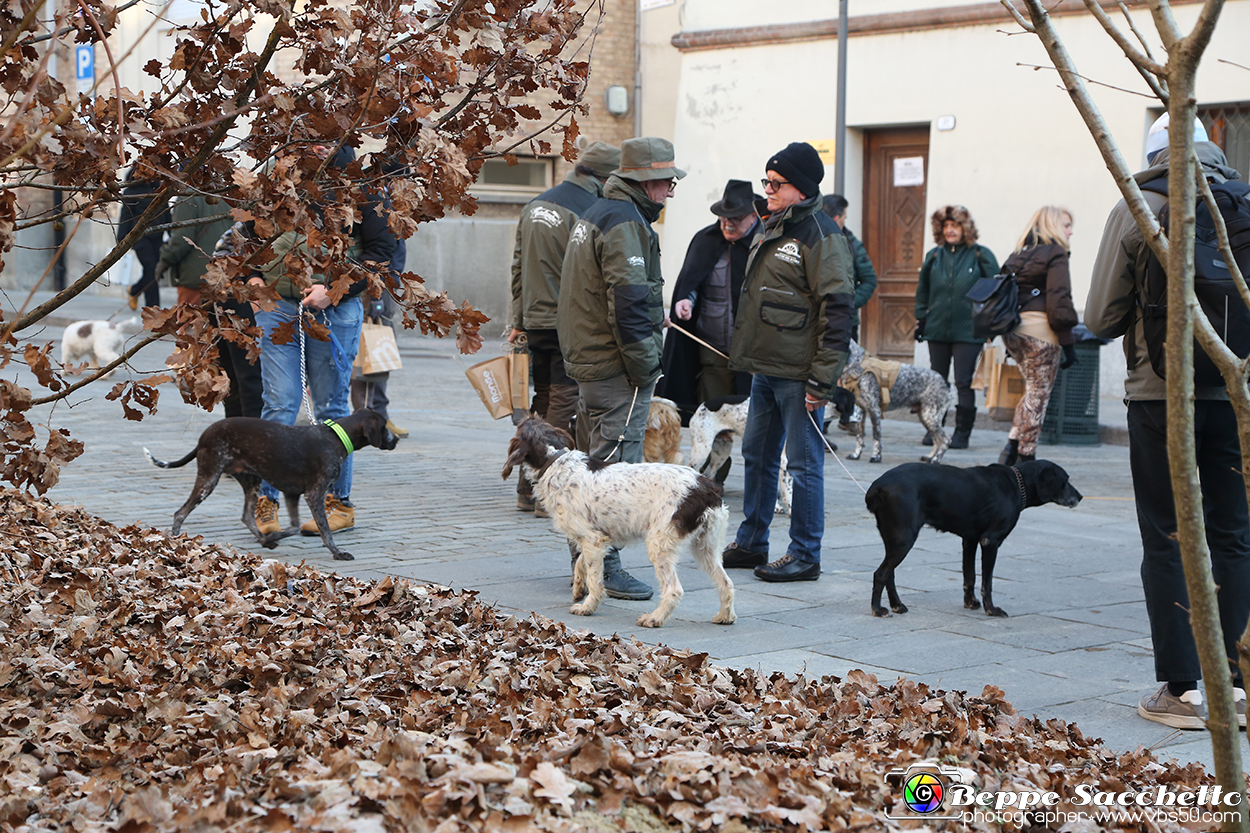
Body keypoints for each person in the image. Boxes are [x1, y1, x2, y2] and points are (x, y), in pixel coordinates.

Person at [1086, 113, 1249, 730]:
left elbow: (1102, 317)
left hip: (1161, 395)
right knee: (1233, 533)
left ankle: (1182, 690)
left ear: (1153, 152)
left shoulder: (1136, 204)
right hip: (1238, 392)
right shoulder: (1245, 202)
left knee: (1169, 535)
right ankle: (1238, 683)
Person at [557, 136, 686, 601]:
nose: (671, 191)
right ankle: (604, 567)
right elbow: (629, 304)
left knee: (593, 463)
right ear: (643, 181)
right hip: (616, 367)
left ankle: (582, 559)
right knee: (614, 470)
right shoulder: (625, 222)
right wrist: (647, 366)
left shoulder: (598, 212)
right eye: (667, 182)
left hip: (590, 359)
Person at [720, 141, 855, 583]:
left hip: (800, 375)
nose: (768, 189)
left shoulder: (821, 234)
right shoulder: (773, 225)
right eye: (767, 181)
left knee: (802, 465)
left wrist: (822, 379)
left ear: (801, 187)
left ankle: (805, 554)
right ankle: (752, 541)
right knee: (757, 454)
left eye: (777, 183)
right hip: (767, 367)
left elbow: (837, 310)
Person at [249, 142, 397, 538]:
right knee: (280, 404)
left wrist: (334, 291)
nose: (316, 144)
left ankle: (338, 503)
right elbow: (248, 234)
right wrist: (253, 276)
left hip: (335, 311)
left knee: (332, 407)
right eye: (310, 133)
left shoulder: (364, 188)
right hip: (278, 306)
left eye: (326, 136)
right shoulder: (279, 176)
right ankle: (266, 501)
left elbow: (384, 254)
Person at [508, 141, 621, 513]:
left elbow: (518, 266)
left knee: (541, 400)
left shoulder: (535, 204)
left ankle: (527, 489)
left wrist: (517, 321)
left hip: (535, 321)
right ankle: (547, 490)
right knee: (561, 402)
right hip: (565, 322)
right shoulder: (587, 210)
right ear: (603, 178)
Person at [657, 179, 758, 423]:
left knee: (753, 421)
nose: (728, 225)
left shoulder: (764, 243)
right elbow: (692, 283)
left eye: (735, 219)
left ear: (753, 215)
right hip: (712, 348)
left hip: (753, 351)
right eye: (724, 218)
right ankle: (713, 463)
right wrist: (685, 300)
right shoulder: (706, 240)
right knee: (712, 420)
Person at [996, 207, 1079, 466]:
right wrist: (1068, 342)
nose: (1070, 231)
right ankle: (1025, 459)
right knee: (1039, 396)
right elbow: (1059, 299)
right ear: (1053, 226)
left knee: (1031, 392)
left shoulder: (1016, 255)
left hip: (1012, 332)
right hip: (1040, 333)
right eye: (1066, 225)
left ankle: (1010, 449)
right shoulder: (1056, 253)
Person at [914, 205, 998, 450]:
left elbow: (996, 290)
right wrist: (922, 318)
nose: (950, 230)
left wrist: (991, 324)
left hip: (968, 331)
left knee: (963, 381)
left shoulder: (981, 255)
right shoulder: (934, 256)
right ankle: (935, 428)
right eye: (946, 226)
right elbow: (923, 291)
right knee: (937, 381)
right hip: (938, 328)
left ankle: (962, 433)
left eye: (955, 226)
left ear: (966, 228)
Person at [352, 238, 410, 439]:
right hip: (375, 287)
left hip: (386, 285)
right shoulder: (381, 210)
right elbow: (376, 250)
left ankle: (377, 415)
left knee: (377, 355)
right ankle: (369, 418)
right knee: (370, 356)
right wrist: (376, 294)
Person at [158, 193, 236, 308]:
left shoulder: (188, 197)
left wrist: (164, 261)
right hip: (228, 276)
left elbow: (181, 240)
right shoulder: (230, 195)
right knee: (222, 323)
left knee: (190, 322)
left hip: (197, 276)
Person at [820, 194, 878, 342]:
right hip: (814, 322)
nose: (844, 222)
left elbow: (869, 280)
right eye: (844, 218)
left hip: (845, 323)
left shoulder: (853, 245)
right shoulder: (810, 242)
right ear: (836, 218)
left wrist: (850, 303)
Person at [118, 170, 171, 310]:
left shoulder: (159, 190)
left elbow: (166, 211)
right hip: (140, 238)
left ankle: (135, 290)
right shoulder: (131, 192)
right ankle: (153, 309)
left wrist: (172, 233)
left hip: (157, 235)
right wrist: (121, 241)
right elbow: (126, 216)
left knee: (154, 271)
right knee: (151, 269)